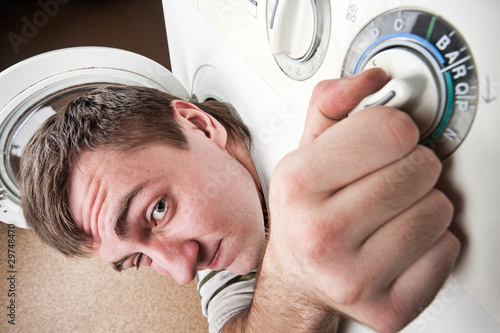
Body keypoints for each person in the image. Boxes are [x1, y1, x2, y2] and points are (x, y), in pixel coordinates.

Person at [20, 68, 459, 333]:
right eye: (138, 259)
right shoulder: (217, 261)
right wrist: (296, 284)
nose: (182, 269)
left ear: (199, 125)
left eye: (157, 210)